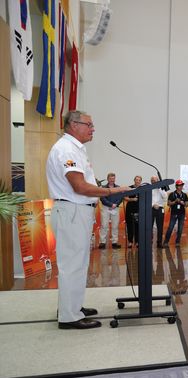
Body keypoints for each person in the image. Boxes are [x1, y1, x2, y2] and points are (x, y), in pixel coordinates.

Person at [46, 110, 129, 329]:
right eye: (89, 125)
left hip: (78, 211)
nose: (93, 129)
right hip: (72, 210)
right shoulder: (65, 149)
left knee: (79, 264)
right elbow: (80, 186)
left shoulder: (75, 149)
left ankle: (72, 307)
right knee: (72, 265)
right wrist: (113, 191)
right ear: (73, 125)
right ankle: (69, 317)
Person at [99, 172, 122, 249]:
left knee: (115, 226)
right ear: (108, 179)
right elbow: (102, 198)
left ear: (115, 179)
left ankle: (114, 242)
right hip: (106, 208)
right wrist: (110, 204)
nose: (112, 180)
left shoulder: (118, 187)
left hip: (115, 208)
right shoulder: (103, 188)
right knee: (104, 225)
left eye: (113, 178)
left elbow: (120, 197)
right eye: (110, 178)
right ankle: (102, 242)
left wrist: (115, 204)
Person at [163, 179, 188, 246]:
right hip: (174, 213)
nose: (180, 187)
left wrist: (181, 202)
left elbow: (186, 205)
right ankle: (166, 241)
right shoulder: (172, 194)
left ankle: (177, 242)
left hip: (182, 213)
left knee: (180, 229)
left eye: (181, 185)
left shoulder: (184, 195)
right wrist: (175, 201)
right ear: (176, 186)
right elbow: (168, 204)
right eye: (179, 185)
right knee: (170, 227)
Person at [124, 175, 142, 248]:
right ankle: (130, 242)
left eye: (139, 180)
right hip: (130, 209)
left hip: (139, 209)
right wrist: (132, 199)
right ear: (134, 180)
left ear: (141, 181)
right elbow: (125, 197)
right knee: (130, 226)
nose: (137, 181)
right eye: (136, 179)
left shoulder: (143, 188)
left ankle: (137, 242)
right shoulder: (129, 188)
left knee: (138, 226)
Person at [151, 175, 168, 248]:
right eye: (152, 180)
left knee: (160, 226)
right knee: (149, 226)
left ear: (158, 181)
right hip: (151, 208)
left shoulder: (162, 188)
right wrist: (153, 205)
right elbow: (148, 199)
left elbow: (165, 198)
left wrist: (160, 189)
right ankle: (149, 240)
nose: (154, 182)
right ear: (151, 181)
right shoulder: (149, 188)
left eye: (155, 180)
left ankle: (159, 242)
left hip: (160, 209)